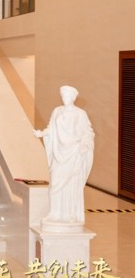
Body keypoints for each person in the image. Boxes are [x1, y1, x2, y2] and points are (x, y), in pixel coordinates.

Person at [33, 85, 94, 225]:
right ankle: (54, 213)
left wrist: (85, 144)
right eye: (63, 96)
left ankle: (71, 215)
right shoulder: (57, 111)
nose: (64, 98)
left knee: (72, 186)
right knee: (55, 184)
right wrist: (42, 133)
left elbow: (88, 132)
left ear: (73, 98)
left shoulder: (81, 114)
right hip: (59, 154)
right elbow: (51, 128)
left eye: (67, 96)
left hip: (74, 153)